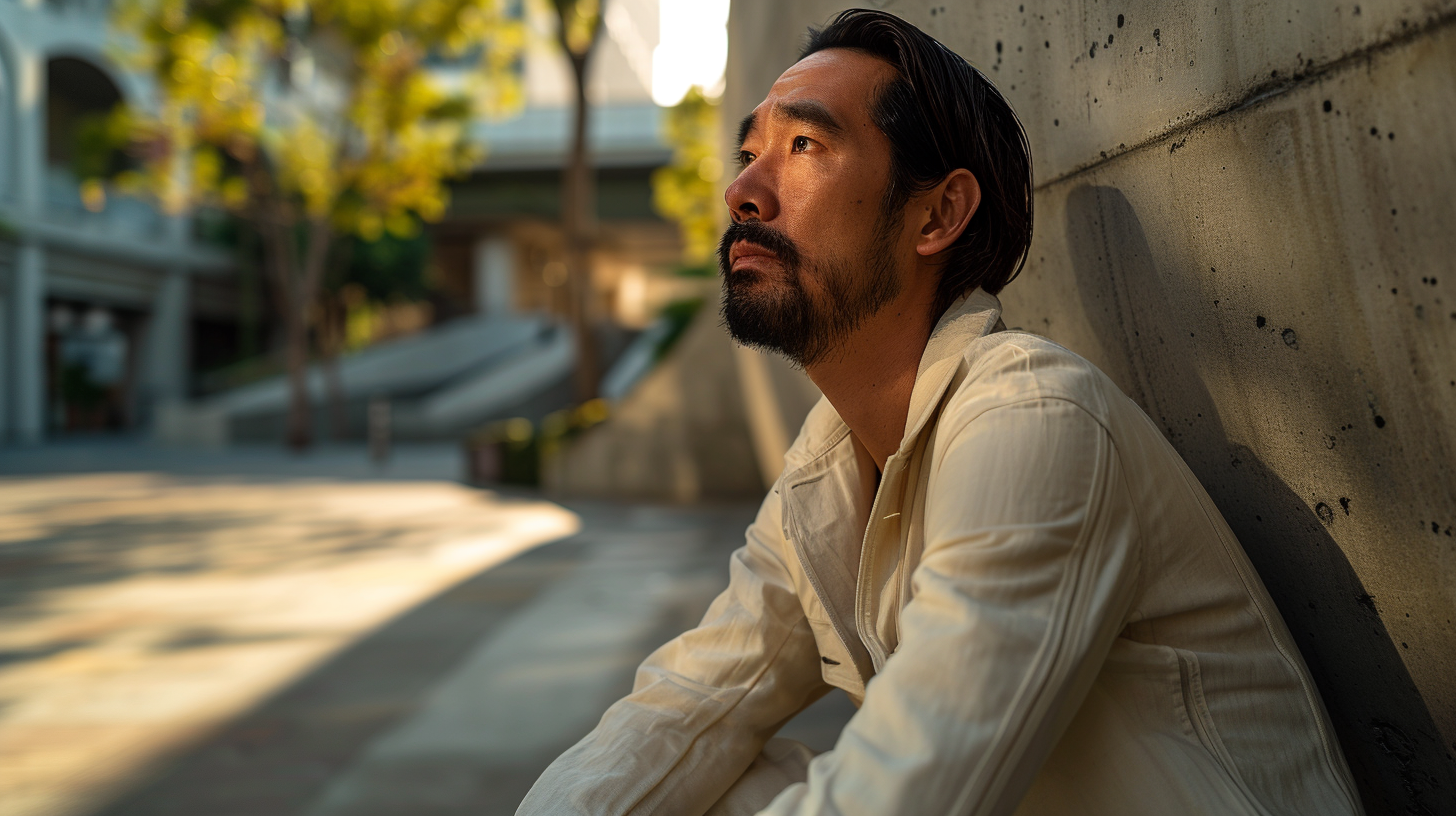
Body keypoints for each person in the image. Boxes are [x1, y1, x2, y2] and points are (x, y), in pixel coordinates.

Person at [518, 9, 1363, 816]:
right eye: (749, 151)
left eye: (804, 144)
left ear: (937, 214)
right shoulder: (828, 480)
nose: (743, 190)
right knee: (702, 777)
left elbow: (910, 788)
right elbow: (683, 708)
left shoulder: (1033, 420)